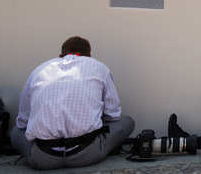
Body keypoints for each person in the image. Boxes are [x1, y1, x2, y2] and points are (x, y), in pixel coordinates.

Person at [10, 36, 135, 170]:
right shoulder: (99, 67)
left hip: (43, 157)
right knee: (127, 122)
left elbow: (23, 121)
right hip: (87, 154)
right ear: (89, 55)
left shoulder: (39, 69)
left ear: (60, 55)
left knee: (15, 131)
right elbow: (113, 115)